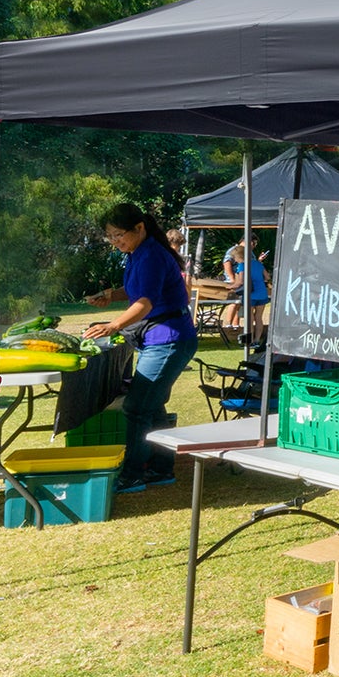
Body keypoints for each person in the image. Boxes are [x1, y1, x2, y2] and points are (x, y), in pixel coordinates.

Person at [85, 202, 198, 495]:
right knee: (153, 404)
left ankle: (133, 474)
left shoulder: (150, 255)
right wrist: (111, 295)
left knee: (136, 407)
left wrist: (113, 326)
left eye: (118, 234)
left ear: (139, 228)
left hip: (169, 339)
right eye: (109, 236)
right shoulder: (137, 253)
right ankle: (161, 469)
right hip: (160, 339)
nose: (115, 241)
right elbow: (139, 288)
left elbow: (145, 302)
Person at [221, 236, 270, 347]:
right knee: (259, 318)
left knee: (250, 318)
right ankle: (257, 340)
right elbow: (267, 277)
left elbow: (240, 282)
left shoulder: (242, 266)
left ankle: (249, 340)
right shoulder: (258, 264)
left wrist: (231, 287)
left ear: (238, 257)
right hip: (262, 294)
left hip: (250, 295)